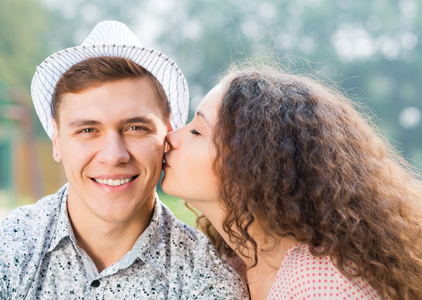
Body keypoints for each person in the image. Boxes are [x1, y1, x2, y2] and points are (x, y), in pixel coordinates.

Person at [0, 21, 248, 299]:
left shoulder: (208, 282)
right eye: (88, 130)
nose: (114, 155)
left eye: (135, 128)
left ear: (167, 133)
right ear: (57, 140)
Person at [162, 62, 422, 299]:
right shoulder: (235, 267)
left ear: (250, 164)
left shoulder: (319, 284)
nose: (171, 137)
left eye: (196, 131)